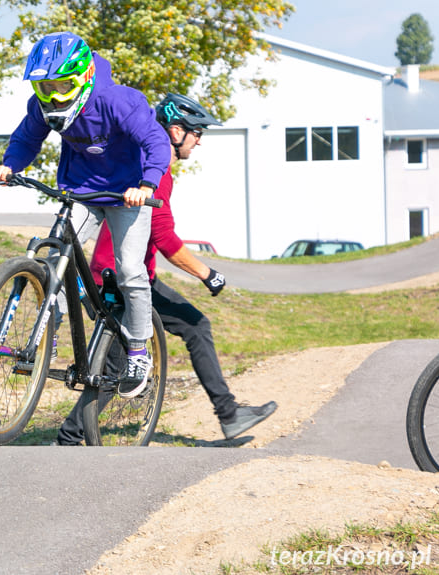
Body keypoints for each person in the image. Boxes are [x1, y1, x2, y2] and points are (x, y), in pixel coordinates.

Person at [55, 93, 277, 445]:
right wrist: (208, 274)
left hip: (108, 277)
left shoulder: (139, 162)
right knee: (188, 330)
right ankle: (230, 415)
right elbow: (163, 238)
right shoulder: (154, 173)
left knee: (120, 363)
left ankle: (68, 438)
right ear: (176, 131)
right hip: (123, 281)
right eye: (197, 132)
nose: (199, 140)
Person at [0, 31, 172, 397]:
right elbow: (27, 138)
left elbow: (156, 141)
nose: (53, 96)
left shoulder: (118, 101)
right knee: (55, 260)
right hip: (82, 193)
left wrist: (147, 185)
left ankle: (138, 349)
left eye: (62, 85)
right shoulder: (42, 107)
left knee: (130, 269)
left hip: (128, 196)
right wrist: (9, 166)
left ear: (85, 76)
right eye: (45, 87)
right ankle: (45, 333)